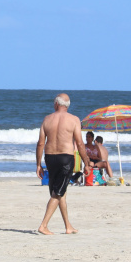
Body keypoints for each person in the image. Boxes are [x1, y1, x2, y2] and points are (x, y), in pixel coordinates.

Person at [36, 93, 90, 235]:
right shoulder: (74, 120)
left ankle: (68, 226)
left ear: (56, 104)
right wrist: (87, 162)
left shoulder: (47, 119)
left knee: (60, 192)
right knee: (58, 193)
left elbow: (41, 143)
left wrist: (38, 165)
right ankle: (43, 225)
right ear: (67, 105)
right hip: (65, 158)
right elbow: (79, 143)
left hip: (50, 157)